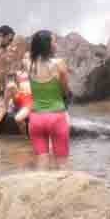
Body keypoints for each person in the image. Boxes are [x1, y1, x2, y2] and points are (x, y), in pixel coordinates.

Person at [27, 29, 71, 166]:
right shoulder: (59, 64)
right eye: (54, 41)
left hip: (35, 118)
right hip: (56, 116)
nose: (56, 45)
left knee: (42, 161)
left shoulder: (29, 64)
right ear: (48, 45)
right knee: (62, 162)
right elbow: (65, 90)